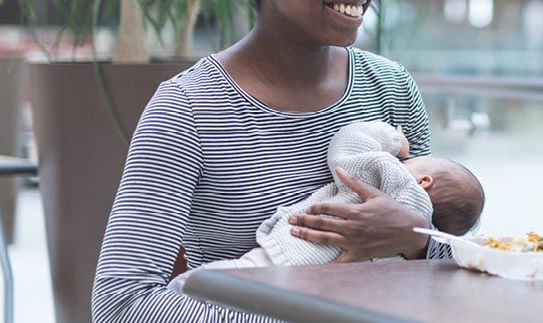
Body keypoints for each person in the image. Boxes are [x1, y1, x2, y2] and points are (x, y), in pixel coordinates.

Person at [93, 0, 447, 322]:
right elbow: (120, 303)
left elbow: (457, 250)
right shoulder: (188, 107)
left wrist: (415, 237)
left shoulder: (390, 87)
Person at [167, 121, 485, 294]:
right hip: (330, 293)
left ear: (424, 181)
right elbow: (439, 262)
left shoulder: (395, 179)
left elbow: (348, 145)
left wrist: (392, 140)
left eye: (413, 159)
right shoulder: (420, 227)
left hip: (286, 258)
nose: (407, 159)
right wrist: (419, 241)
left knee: (197, 287)